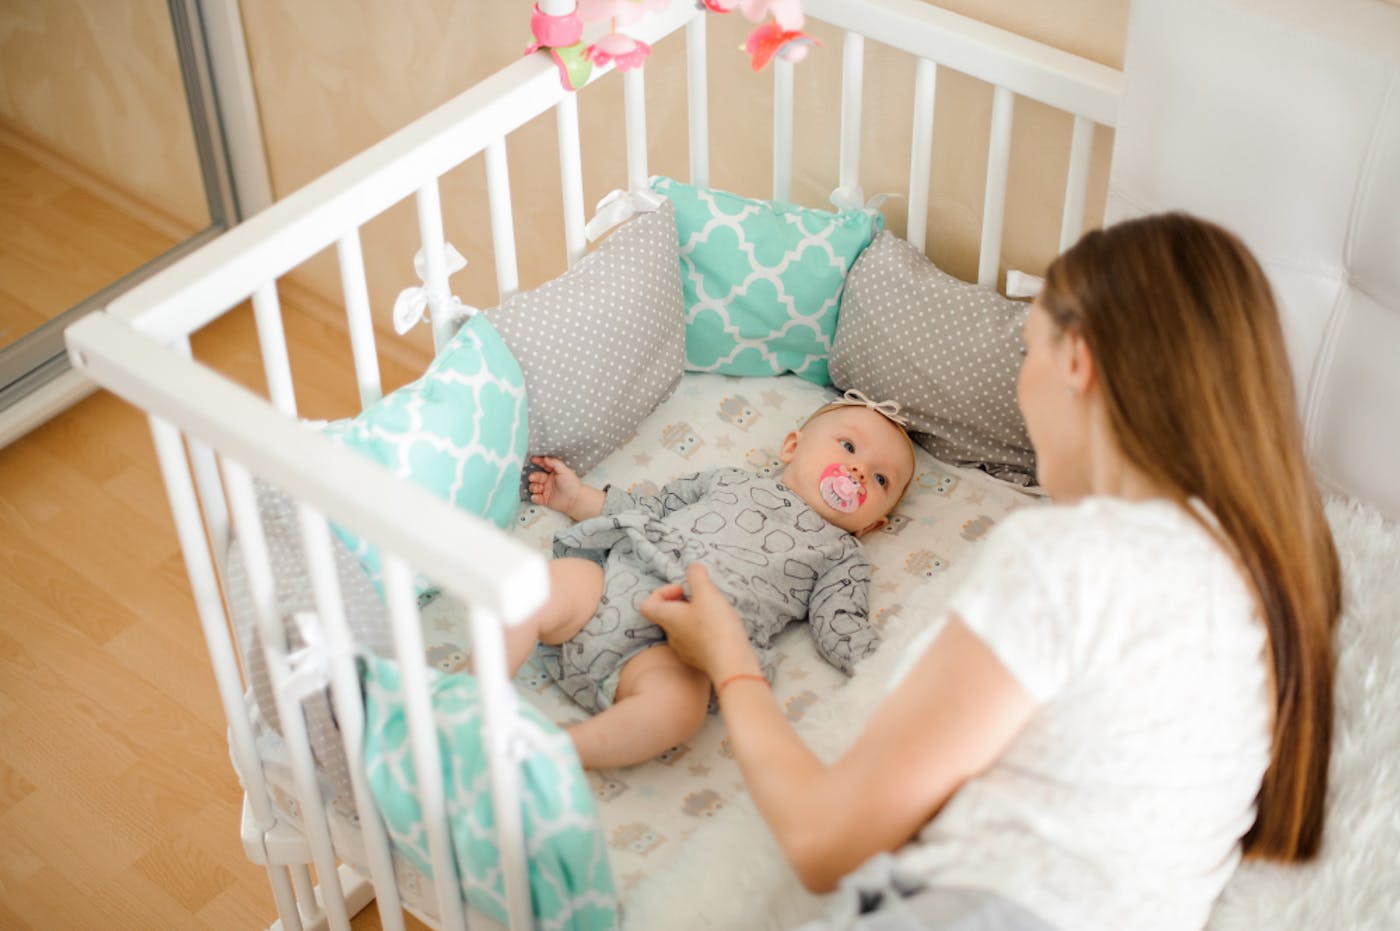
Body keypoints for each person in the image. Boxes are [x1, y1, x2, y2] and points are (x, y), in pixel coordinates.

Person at [640, 213, 1341, 931]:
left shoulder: (1065, 558)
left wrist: (728, 656)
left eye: (1027, 350)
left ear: (1079, 363)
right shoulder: (1262, 578)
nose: (1021, 393)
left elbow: (823, 840)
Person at [509, 393, 917, 770]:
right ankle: (469, 690)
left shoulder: (841, 554)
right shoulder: (730, 480)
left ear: (874, 525)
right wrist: (576, 499)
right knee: (547, 582)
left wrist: (898, 672)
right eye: (848, 446)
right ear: (793, 446)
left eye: (881, 480)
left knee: (679, 708)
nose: (859, 471)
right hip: (613, 586)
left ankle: (551, 755)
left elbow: (841, 624)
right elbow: (651, 509)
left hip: (673, 651)